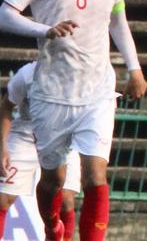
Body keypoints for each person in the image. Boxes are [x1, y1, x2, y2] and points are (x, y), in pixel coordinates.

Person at [0, 0, 146, 241]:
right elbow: (5, 14)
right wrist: (45, 29)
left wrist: (135, 68)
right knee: (54, 181)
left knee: (96, 174)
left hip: (97, 90)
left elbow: (117, 21)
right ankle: (52, 228)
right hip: (52, 93)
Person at [0, 62, 85, 241]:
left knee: (66, 200)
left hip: (63, 136)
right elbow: (6, 106)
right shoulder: (27, 74)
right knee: (2, 197)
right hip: (26, 135)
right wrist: (3, 147)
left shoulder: (82, 75)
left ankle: (57, 233)